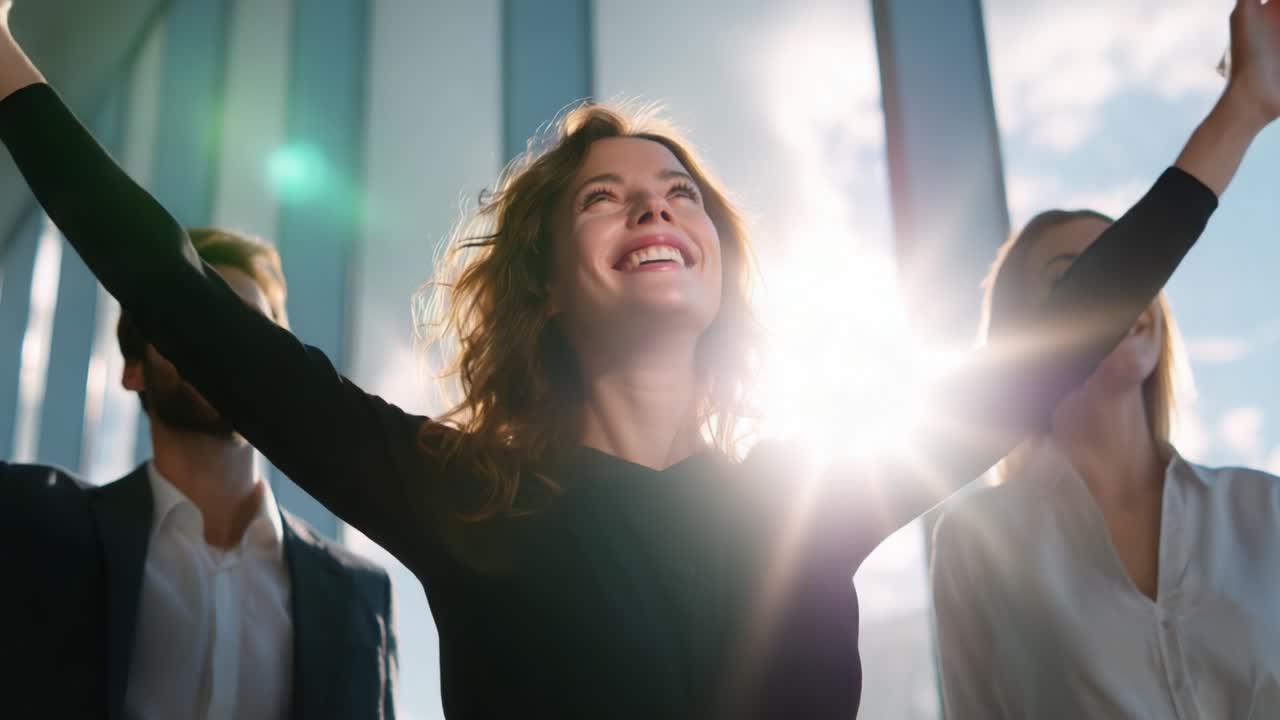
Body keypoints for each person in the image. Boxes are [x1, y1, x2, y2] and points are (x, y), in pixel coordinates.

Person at [1, 0, 1277, 715]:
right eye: (605, 198)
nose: (655, 208)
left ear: (717, 264)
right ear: (546, 286)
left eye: (677, 192)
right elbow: (174, 289)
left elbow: (1054, 340)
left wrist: (1239, 111)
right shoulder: (458, 493)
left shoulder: (805, 501)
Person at [0, 229, 399, 720]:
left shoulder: (361, 593)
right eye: (190, 317)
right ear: (134, 368)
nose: (222, 346)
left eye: (247, 325)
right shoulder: (27, 520)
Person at [931, 208, 1280, 719]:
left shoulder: (1267, 510)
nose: (1117, 287)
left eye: (1129, 265)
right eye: (1074, 275)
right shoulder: (975, 543)